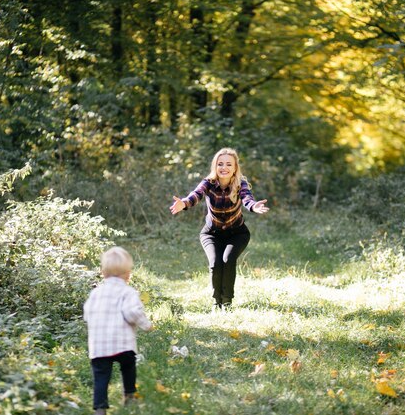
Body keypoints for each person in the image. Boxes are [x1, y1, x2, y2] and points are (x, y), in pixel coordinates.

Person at [169, 147, 269, 311]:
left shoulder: (240, 184)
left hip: (237, 234)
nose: (224, 167)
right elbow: (196, 194)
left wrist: (253, 206)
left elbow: (247, 199)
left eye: (229, 164)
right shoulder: (208, 182)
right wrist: (184, 203)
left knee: (228, 260)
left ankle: (227, 302)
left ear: (235, 168)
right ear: (215, 166)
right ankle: (217, 302)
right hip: (211, 234)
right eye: (220, 164)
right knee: (216, 263)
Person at [83, 246, 152, 415]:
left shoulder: (96, 293)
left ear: (103, 273)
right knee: (128, 367)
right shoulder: (128, 292)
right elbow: (132, 313)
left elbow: (87, 314)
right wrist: (147, 325)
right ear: (128, 274)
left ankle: (100, 408)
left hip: (99, 346)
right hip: (123, 344)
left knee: (101, 376)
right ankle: (129, 395)